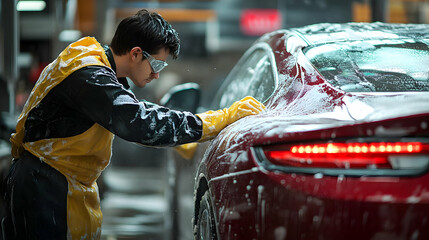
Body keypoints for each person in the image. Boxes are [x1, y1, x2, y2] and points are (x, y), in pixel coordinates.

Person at [0, 9, 265, 240]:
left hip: (50, 182)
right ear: (137, 53)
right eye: (157, 63)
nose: (157, 73)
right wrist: (218, 120)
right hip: (46, 187)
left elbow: (136, 113)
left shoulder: (92, 63)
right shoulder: (90, 76)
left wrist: (186, 135)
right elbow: (140, 123)